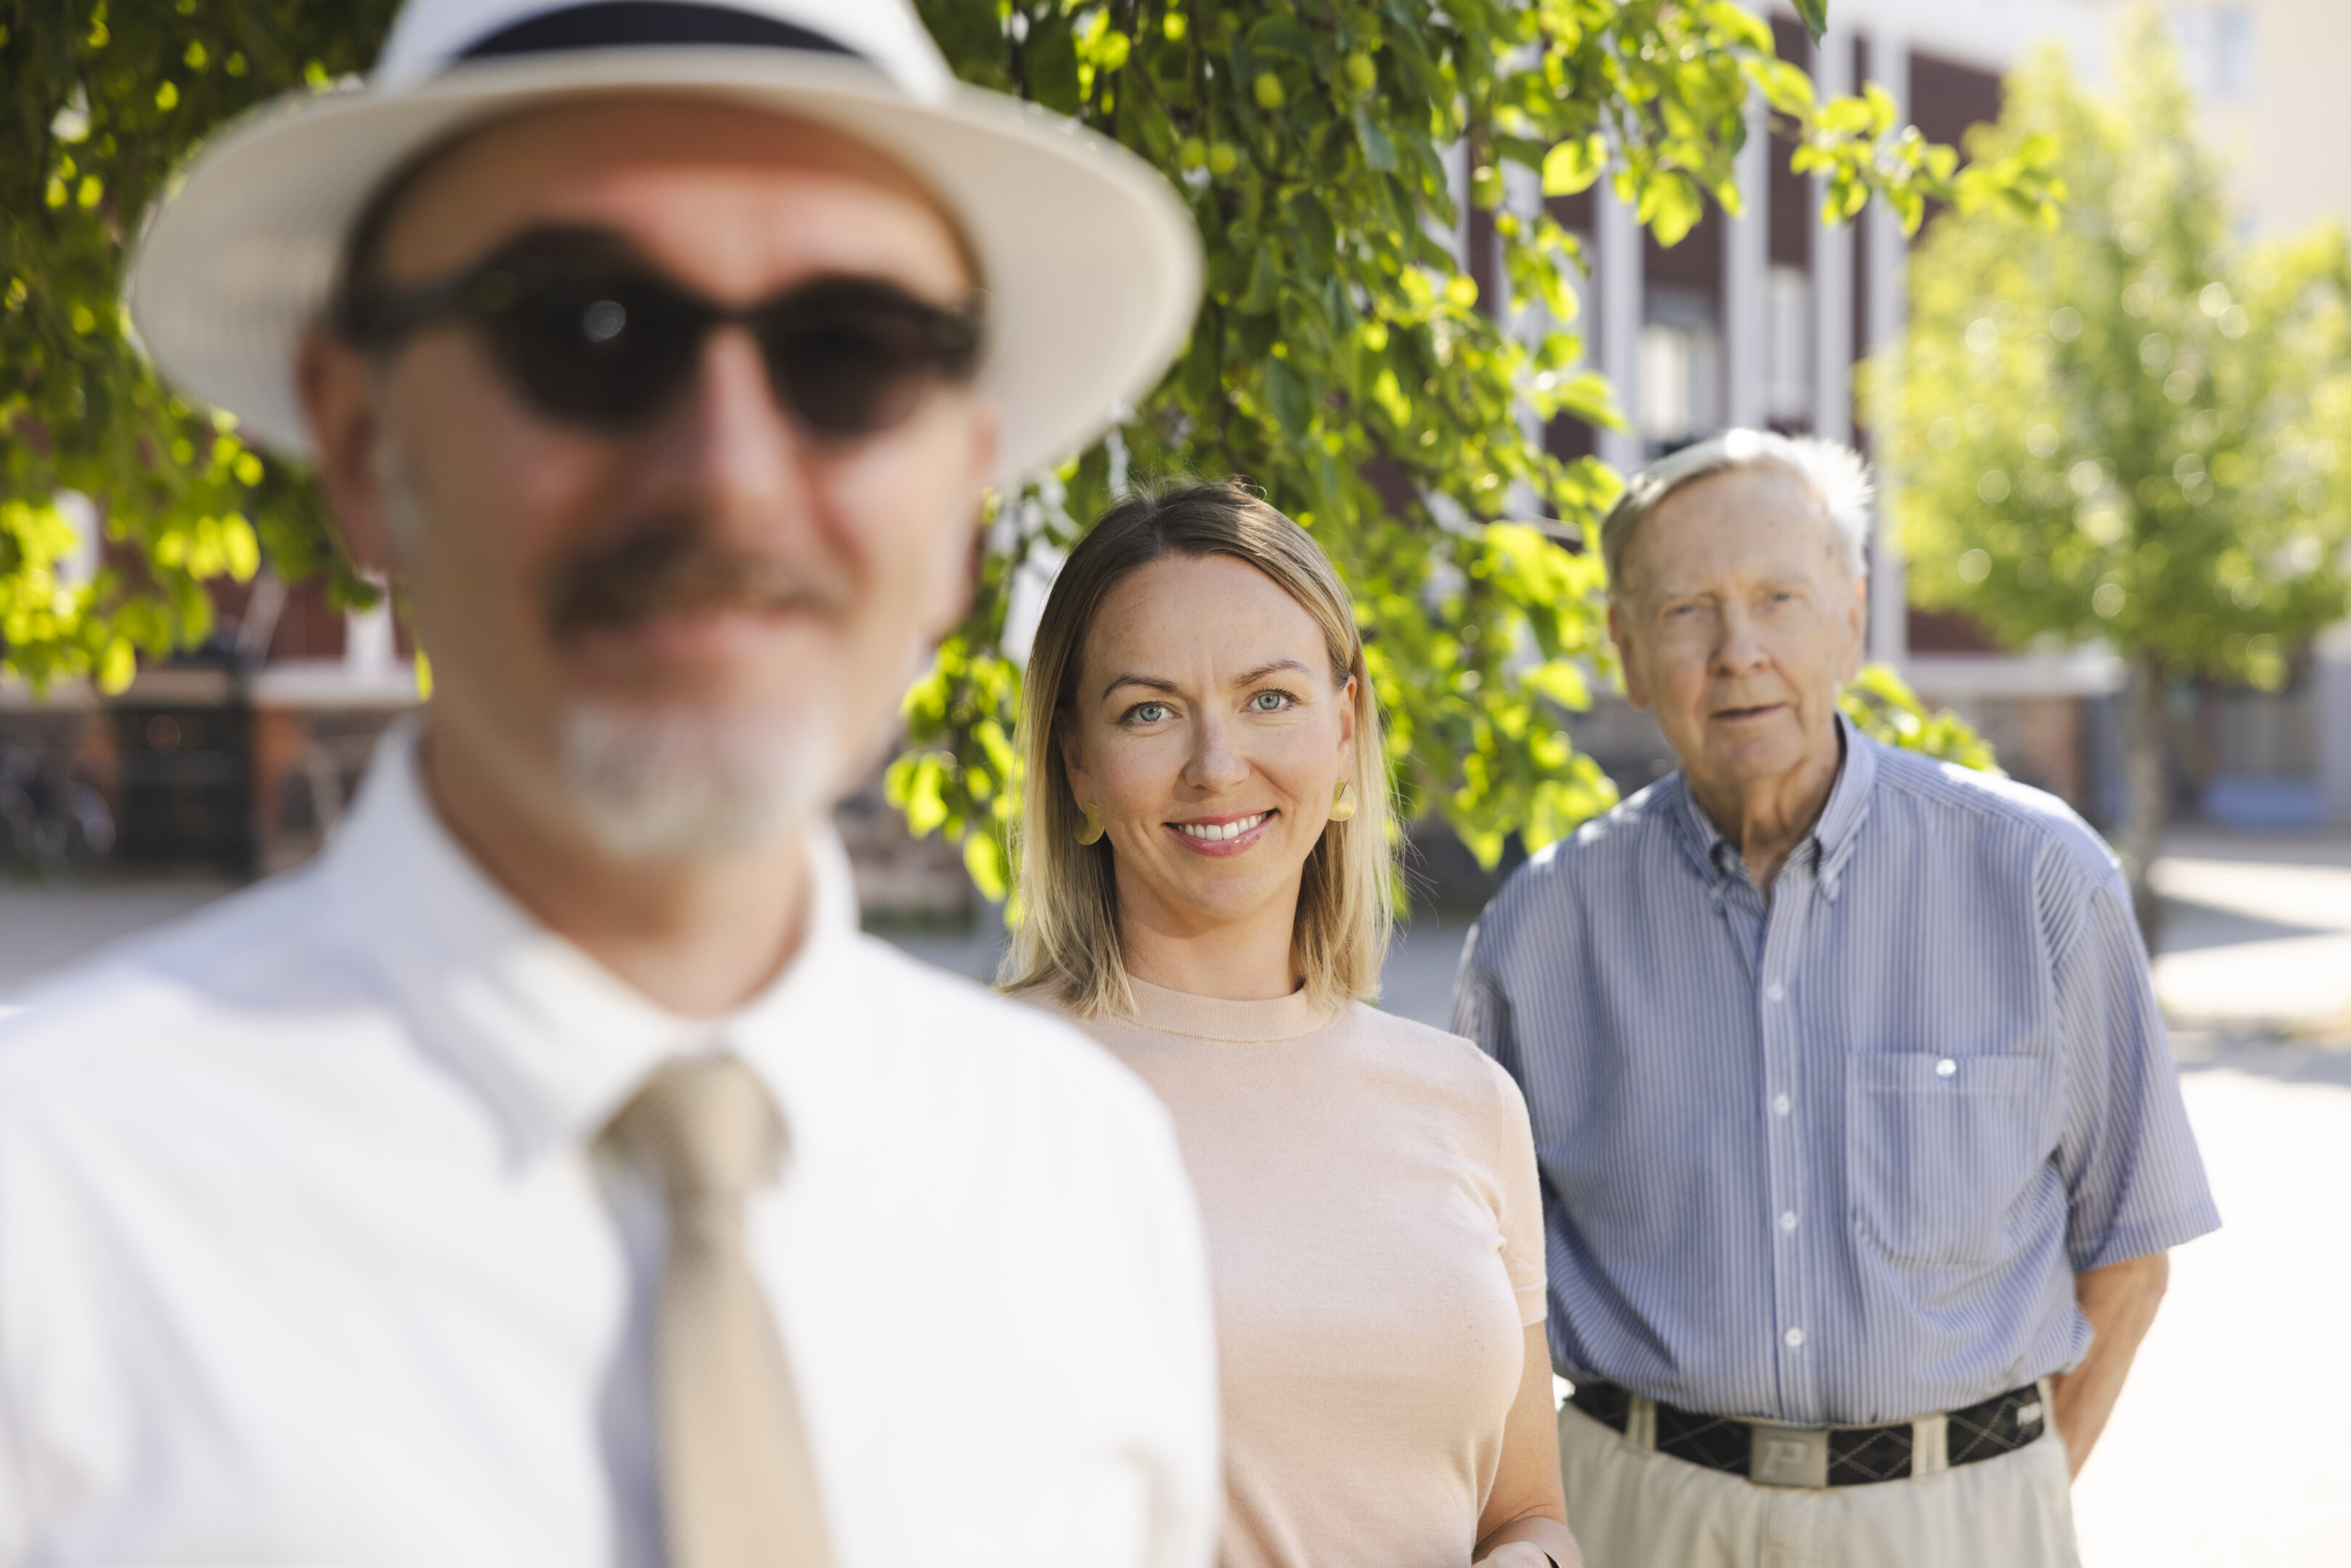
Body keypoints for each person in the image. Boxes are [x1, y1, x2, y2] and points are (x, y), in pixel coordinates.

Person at [0, 2, 1222, 1564]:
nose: (725, 466)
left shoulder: (1077, 1185)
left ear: (959, 508)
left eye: (847, 352)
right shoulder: (51, 1216)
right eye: (581, 328)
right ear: (364, 444)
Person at [1451, 430, 2220, 1568]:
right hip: (1640, 1518)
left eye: (1779, 599)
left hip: (1956, 1520)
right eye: (1685, 612)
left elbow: (2131, 1255)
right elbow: (1477, 1296)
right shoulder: (1540, 926)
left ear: (1851, 618)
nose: (1738, 651)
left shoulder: (2040, 877)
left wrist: (2003, 1506)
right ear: (1623, 647)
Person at [1004, 480, 1582, 1568]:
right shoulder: (972, 1092)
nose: (1217, 764)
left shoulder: (1466, 1102)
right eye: (1148, 710)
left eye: (1269, 698)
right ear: (1077, 765)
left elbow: (1525, 1514)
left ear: (1345, 724)